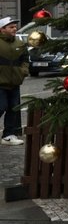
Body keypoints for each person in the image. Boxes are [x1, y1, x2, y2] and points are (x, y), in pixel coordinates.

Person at [0, 17, 27, 146]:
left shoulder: (19, 43)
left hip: (14, 83)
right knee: (1, 106)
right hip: (0, 83)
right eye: (11, 27)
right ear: (2, 29)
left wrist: (23, 72)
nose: (14, 29)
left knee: (13, 109)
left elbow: (25, 60)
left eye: (15, 26)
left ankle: (8, 135)